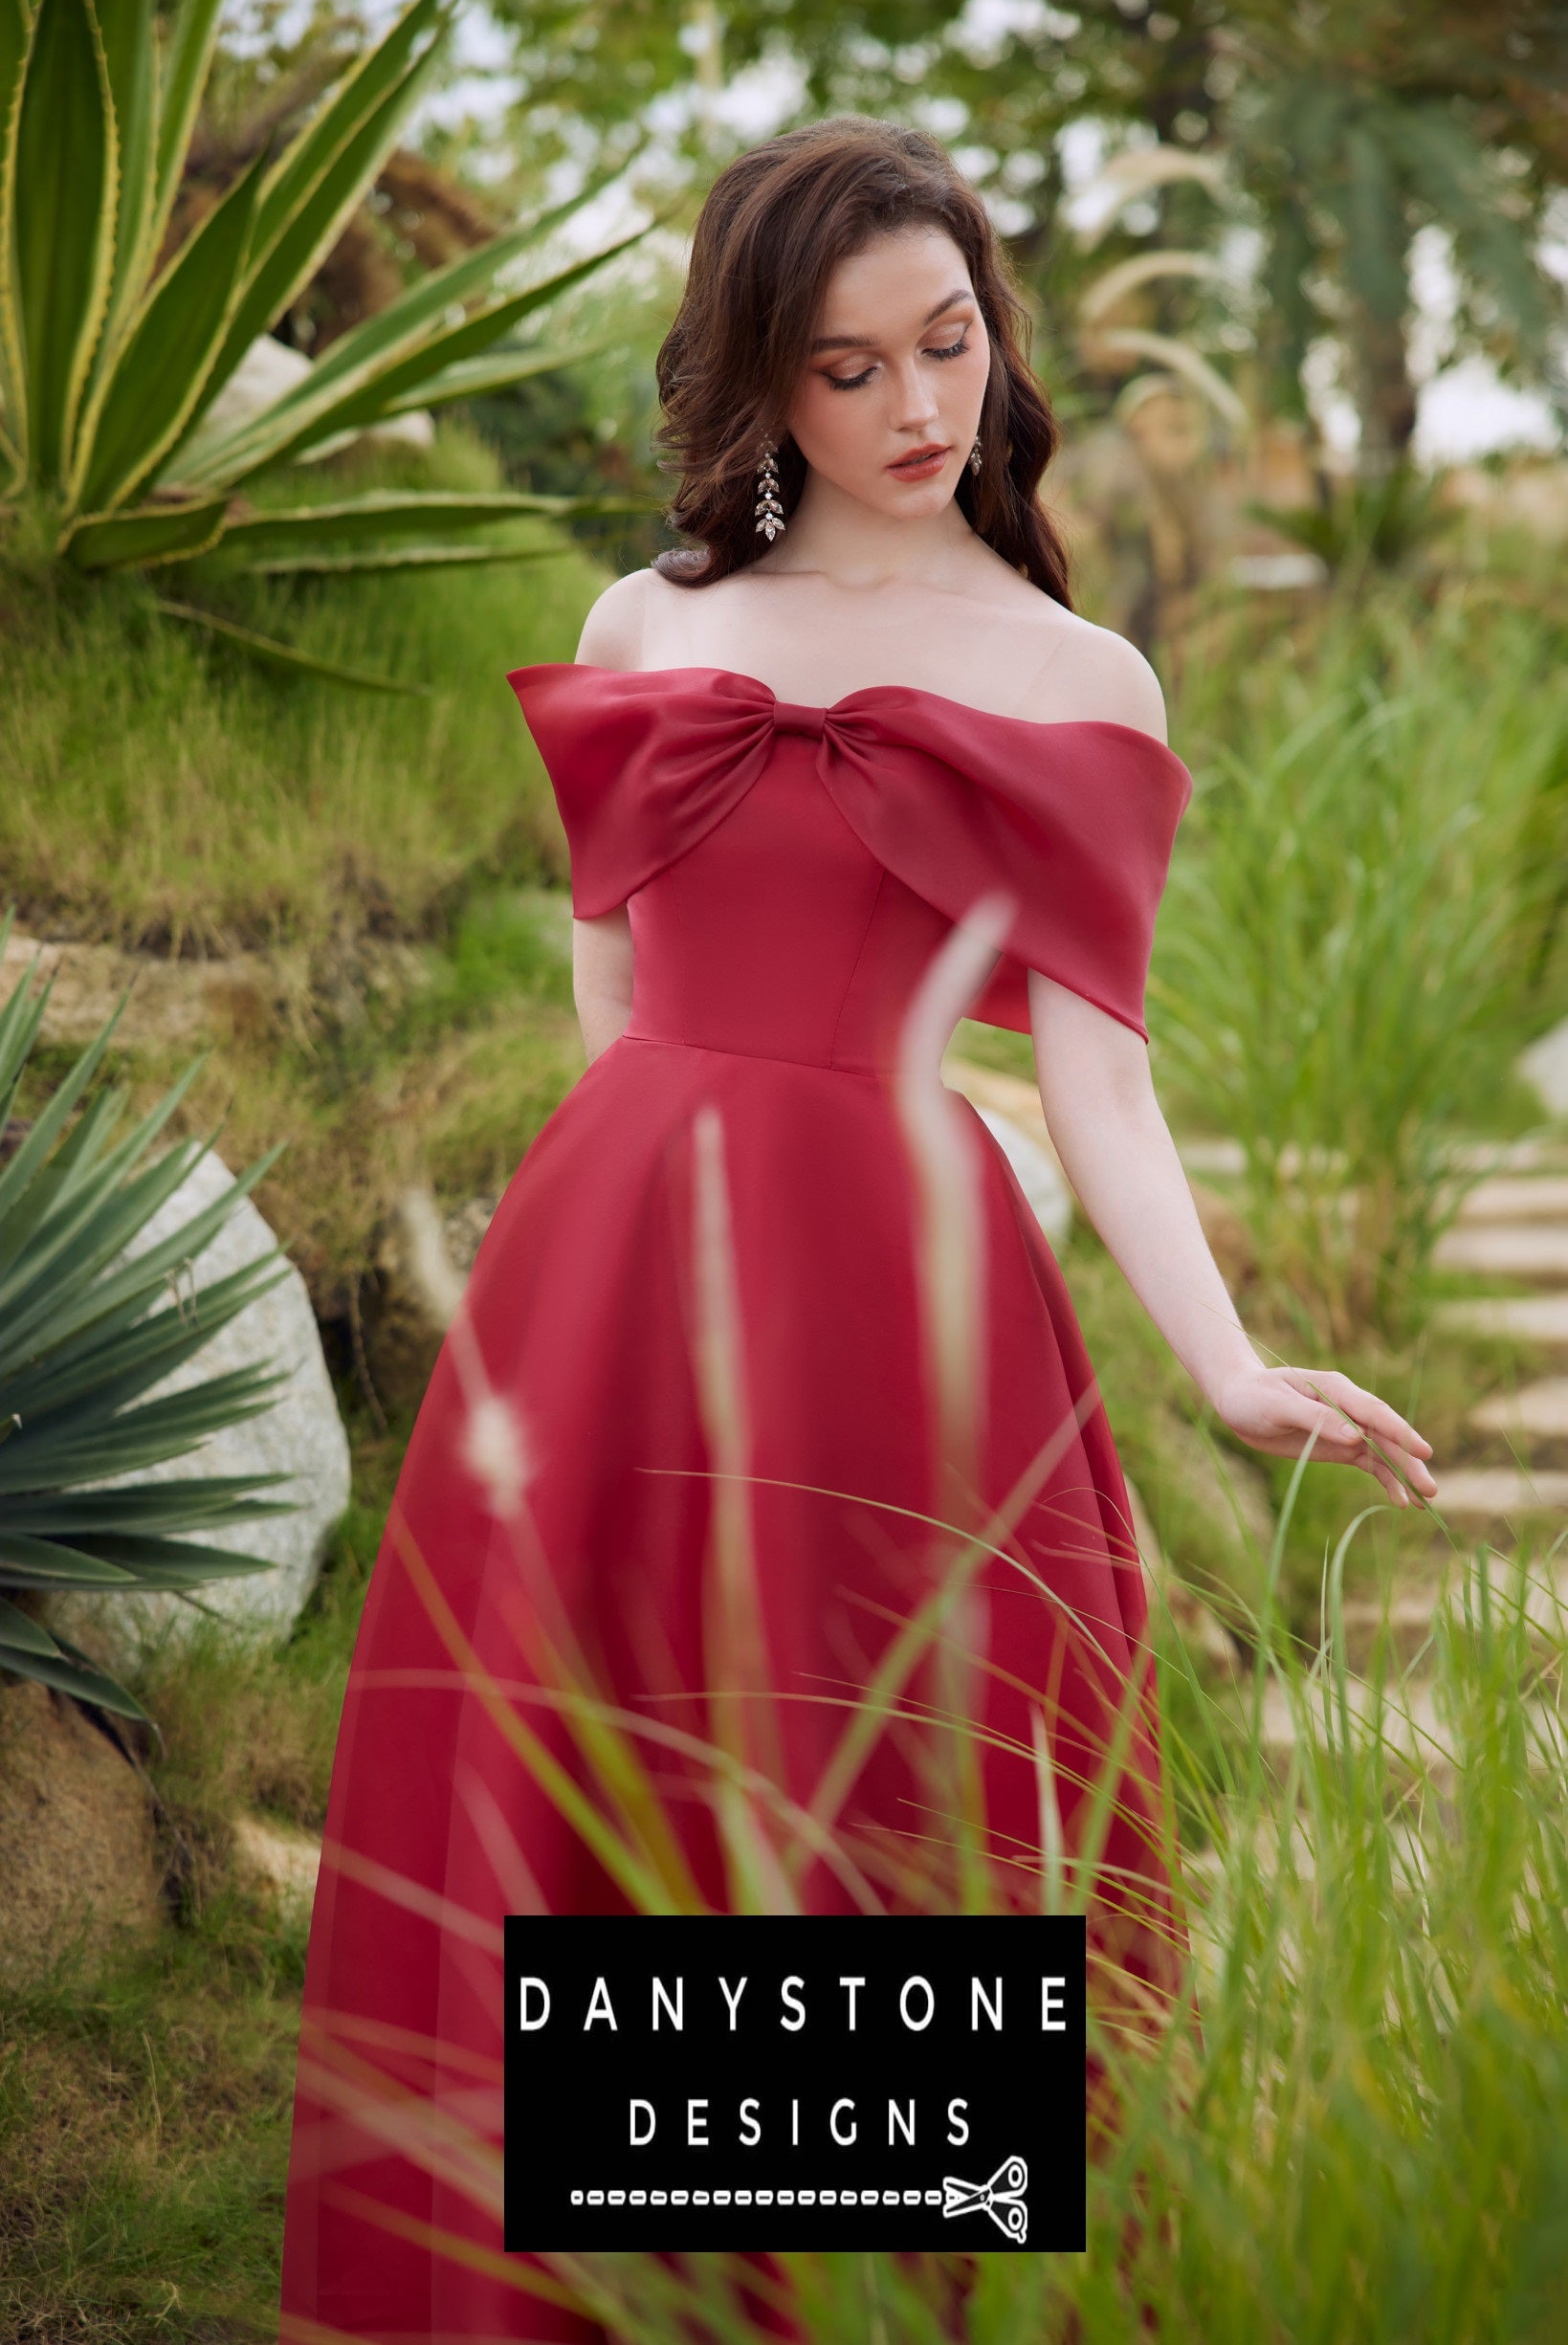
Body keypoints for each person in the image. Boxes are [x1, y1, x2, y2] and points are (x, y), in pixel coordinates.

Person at [278, 116, 1437, 2345]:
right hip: (607, 1286)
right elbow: (606, 1011)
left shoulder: (1080, 677)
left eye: (950, 343)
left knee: (874, 1790)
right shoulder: (647, 620)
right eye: (847, 367)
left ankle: (841, 2299)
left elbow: (1097, 1066)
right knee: (599, 1784)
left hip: (898, 1314)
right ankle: (580, 2298)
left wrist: (1220, 1361)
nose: (920, 409)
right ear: (758, 379)